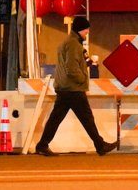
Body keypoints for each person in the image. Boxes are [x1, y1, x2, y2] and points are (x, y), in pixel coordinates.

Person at [35, 16, 119, 156]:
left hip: (65, 87)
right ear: (80, 29)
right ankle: (100, 145)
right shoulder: (74, 44)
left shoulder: (69, 42)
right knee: (87, 118)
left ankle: (42, 145)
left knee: (56, 119)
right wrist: (81, 79)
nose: (87, 31)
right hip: (73, 88)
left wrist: (84, 64)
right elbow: (71, 68)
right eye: (86, 29)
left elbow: (71, 64)